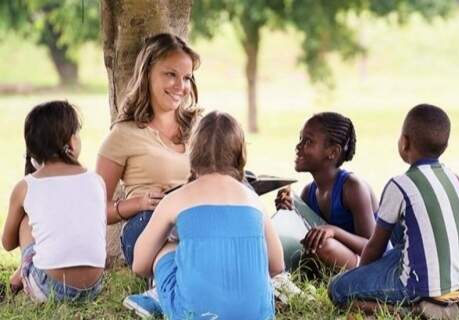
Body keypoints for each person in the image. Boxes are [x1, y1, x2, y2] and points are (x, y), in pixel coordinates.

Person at [126, 111, 284, 319]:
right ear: (240, 155)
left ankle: (157, 296)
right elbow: (277, 265)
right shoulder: (253, 200)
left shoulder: (176, 199)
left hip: (192, 314)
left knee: (168, 244)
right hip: (258, 314)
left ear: (192, 152)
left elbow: (140, 264)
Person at [328, 104, 459, 318]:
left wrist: (363, 273)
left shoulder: (401, 185)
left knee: (338, 288)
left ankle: (408, 311)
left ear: (405, 143)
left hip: (418, 290)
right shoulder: (456, 180)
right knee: (405, 223)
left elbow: (375, 246)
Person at [96, 33, 201, 267]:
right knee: (164, 218)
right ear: (147, 74)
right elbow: (95, 208)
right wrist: (138, 203)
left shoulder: (200, 128)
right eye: (170, 74)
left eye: (186, 78)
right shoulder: (123, 135)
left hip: (194, 219)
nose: (180, 86)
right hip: (147, 226)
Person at [2, 100, 106, 302]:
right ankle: (18, 278)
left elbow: (7, 243)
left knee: (25, 222)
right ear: (71, 141)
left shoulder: (26, 186)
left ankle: (17, 280)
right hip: (94, 287)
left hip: (49, 288)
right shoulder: (96, 181)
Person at [275, 112, 378, 271]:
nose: (298, 147)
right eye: (300, 139)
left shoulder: (353, 187)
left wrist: (334, 231)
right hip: (336, 264)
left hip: (371, 266)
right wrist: (290, 210)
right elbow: (304, 238)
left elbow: (372, 247)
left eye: (308, 141)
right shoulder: (309, 192)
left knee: (323, 245)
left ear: (333, 152)